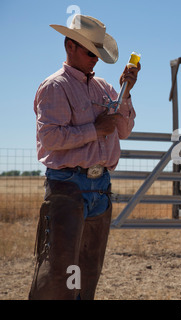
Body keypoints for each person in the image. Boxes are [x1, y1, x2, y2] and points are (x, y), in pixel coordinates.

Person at [29, 14, 140, 300]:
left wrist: (126, 94)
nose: (95, 59)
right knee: (59, 275)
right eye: (91, 52)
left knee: (88, 272)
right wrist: (96, 129)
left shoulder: (105, 88)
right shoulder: (55, 86)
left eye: (98, 53)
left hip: (99, 187)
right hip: (68, 185)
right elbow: (50, 139)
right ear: (70, 46)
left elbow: (124, 130)